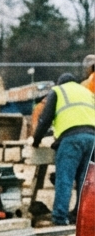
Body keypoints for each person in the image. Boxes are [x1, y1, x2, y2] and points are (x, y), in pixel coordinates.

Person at [32, 73, 95, 226]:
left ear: (60, 83)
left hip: (71, 139)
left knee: (64, 179)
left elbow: (45, 119)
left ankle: (60, 218)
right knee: (85, 181)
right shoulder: (87, 92)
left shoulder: (58, 91)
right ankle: (83, 218)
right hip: (92, 139)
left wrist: (36, 140)